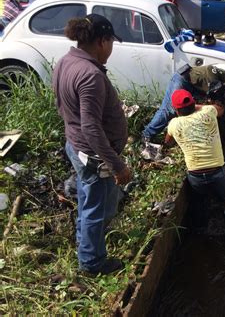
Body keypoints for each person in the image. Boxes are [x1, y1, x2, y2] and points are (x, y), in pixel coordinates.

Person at [52, 14, 133, 276]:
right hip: (94, 157)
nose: (111, 49)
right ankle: (92, 263)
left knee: (91, 200)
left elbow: (61, 105)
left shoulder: (66, 61)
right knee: (99, 209)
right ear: (102, 41)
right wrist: (117, 165)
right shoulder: (90, 76)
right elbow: (91, 127)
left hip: (77, 148)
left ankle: (86, 239)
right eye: (111, 43)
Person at [165, 89, 225, 233]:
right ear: (194, 104)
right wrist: (198, 106)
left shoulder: (174, 124)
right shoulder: (209, 112)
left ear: (176, 110)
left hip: (196, 175)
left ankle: (201, 231)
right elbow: (221, 110)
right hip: (217, 172)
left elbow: (168, 142)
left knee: (200, 203)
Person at [142, 65, 225, 142]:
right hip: (184, 80)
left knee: (192, 110)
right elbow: (216, 106)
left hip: (195, 86)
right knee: (170, 110)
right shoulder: (215, 82)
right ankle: (147, 135)